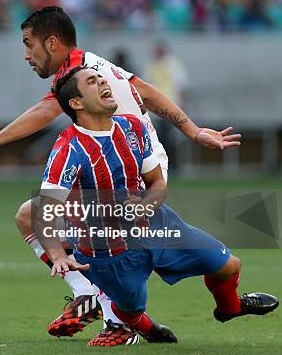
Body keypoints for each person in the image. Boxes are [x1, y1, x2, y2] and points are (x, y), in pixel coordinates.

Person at [0, 6, 241, 345]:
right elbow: (144, 89)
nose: (27, 55)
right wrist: (192, 131)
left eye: (29, 44)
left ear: (53, 43)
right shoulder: (93, 64)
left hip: (127, 166)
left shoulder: (78, 76)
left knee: (64, 226)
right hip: (139, 163)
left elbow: (46, 110)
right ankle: (102, 301)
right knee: (35, 216)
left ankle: (113, 315)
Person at [39, 66, 278, 343]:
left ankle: (231, 308)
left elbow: (157, 182)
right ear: (76, 103)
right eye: (93, 81)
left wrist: (145, 205)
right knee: (129, 309)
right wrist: (57, 256)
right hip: (109, 254)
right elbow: (46, 211)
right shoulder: (69, 149)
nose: (104, 83)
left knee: (229, 265)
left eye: (102, 78)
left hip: (156, 225)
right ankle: (145, 327)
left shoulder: (132, 126)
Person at [143, 41, 188, 169]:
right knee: (160, 138)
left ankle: (173, 166)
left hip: (170, 106)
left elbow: (181, 86)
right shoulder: (152, 65)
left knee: (170, 139)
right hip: (157, 108)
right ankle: (164, 165)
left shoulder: (173, 65)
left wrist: (180, 107)